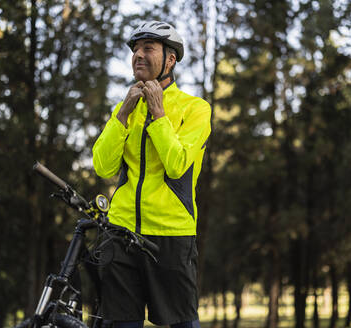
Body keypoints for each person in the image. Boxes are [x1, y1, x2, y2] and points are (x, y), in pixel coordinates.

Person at [92, 20, 211, 328]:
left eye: (148, 48)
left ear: (170, 59)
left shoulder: (195, 109)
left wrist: (158, 114)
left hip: (171, 237)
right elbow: (103, 166)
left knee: (183, 323)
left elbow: (177, 163)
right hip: (120, 233)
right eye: (135, 50)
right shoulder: (124, 109)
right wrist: (122, 115)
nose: (138, 55)